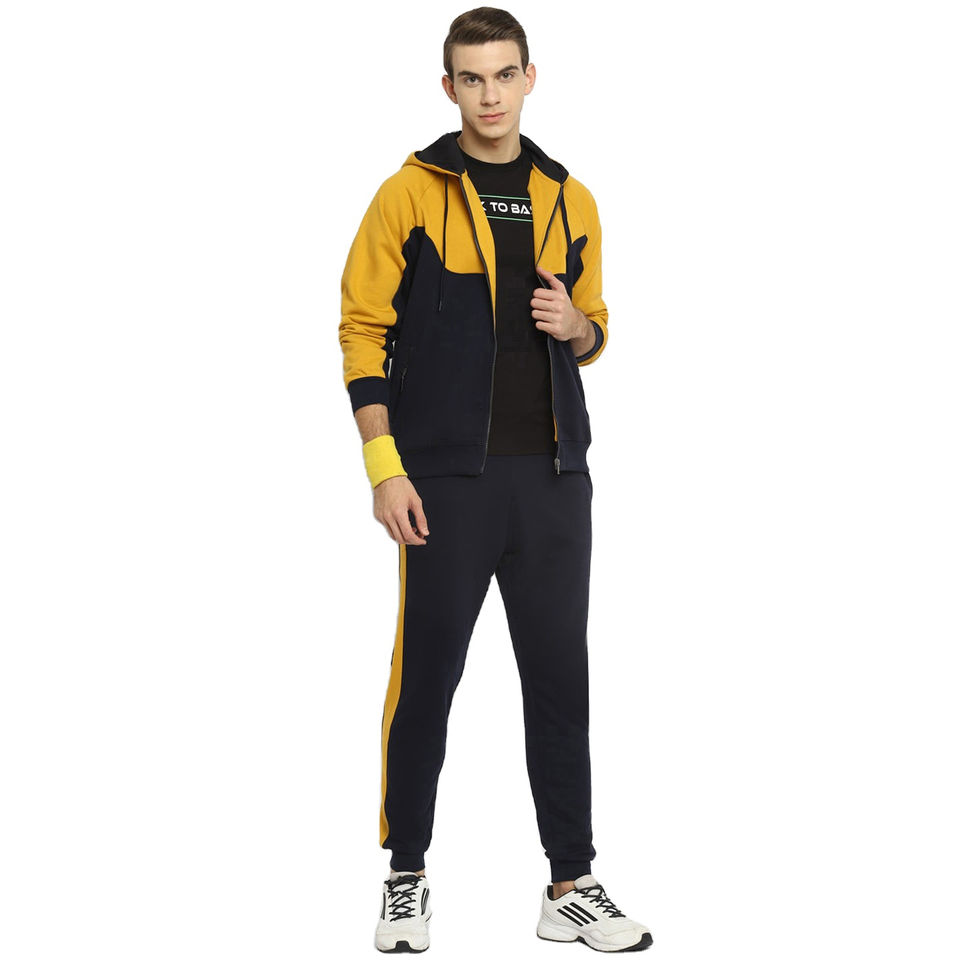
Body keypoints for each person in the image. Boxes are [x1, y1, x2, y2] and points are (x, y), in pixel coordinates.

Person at [339, 7, 653, 953]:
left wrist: (579, 329)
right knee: (426, 679)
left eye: (504, 75)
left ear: (529, 79)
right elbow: (362, 329)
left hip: (555, 477)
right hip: (445, 481)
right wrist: (384, 468)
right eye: (471, 78)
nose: (489, 95)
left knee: (561, 682)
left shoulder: (570, 197)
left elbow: (596, 328)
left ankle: (571, 883)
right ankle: (406, 876)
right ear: (449, 87)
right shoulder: (408, 192)